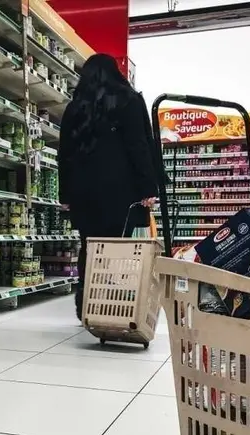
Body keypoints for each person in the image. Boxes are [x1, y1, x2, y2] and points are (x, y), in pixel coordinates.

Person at [58, 53, 162, 321]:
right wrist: (148, 187)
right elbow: (139, 145)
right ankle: (109, 303)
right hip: (120, 188)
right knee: (115, 245)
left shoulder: (75, 108)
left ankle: (86, 305)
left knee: (89, 245)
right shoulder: (129, 100)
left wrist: (65, 193)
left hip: (84, 190)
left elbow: (65, 153)